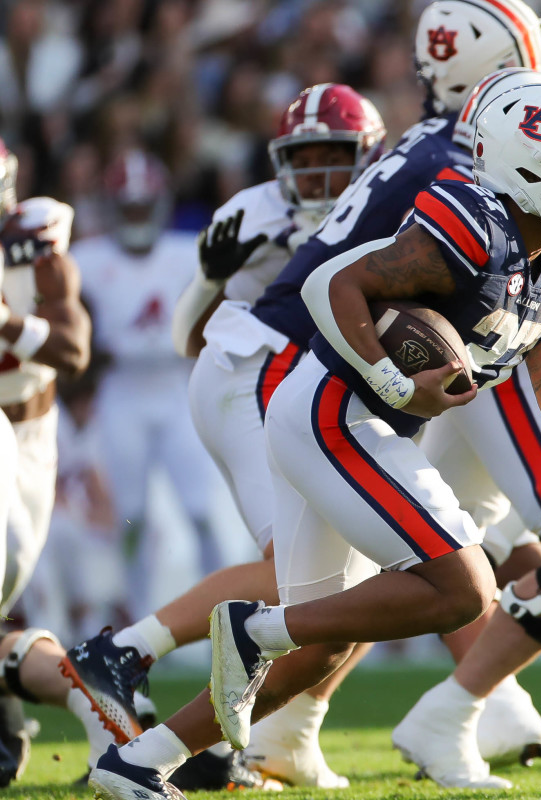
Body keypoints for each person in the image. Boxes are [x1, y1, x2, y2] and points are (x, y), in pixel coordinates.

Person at [87, 81, 541, 800]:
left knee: (325, 645)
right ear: (531, 170)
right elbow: (334, 286)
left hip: (359, 423)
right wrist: (393, 380)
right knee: (462, 587)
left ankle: (140, 761)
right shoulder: (473, 220)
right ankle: (255, 630)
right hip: (334, 412)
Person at [62, 83, 386, 792]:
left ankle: (271, 735)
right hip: (249, 379)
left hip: (308, 389)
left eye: (337, 156)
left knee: (366, 579)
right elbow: (185, 337)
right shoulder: (255, 212)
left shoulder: (384, 204)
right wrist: (212, 275)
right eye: (308, 157)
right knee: (301, 578)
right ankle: (124, 650)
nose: (322, 174)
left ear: (369, 156)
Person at [0, 137, 114, 786]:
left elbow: (73, 351)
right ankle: (97, 693)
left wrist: (8, 326)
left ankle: (95, 692)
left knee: (6, 583)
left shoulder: (32, 244)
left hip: (33, 434)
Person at [71, 150, 222, 613]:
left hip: (177, 390)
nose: (136, 216)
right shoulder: (87, 259)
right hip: (120, 394)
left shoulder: (185, 252)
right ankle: (136, 615)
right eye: (128, 207)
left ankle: (227, 614)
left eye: (142, 206)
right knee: (130, 517)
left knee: (203, 512)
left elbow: (216, 322)